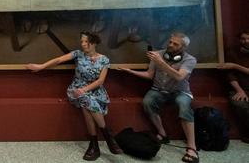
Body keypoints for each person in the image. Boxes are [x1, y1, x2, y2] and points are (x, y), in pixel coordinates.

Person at [26, 32, 122, 160]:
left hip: (95, 91)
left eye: (86, 42)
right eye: (81, 41)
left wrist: (84, 90)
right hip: (76, 89)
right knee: (85, 98)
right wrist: (41, 66)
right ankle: (108, 136)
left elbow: (100, 81)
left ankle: (94, 145)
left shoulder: (104, 60)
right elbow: (59, 60)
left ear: (94, 43)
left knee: (86, 104)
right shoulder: (78, 54)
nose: (82, 44)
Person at [118, 32, 199, 163]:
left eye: (175, 44)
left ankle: (192, 147)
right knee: (147, 102)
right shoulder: (158, 55)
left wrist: (161, 63)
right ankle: (163, 133)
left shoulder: (190, 60)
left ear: (184, 47)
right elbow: (150, 75)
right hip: (159, 90)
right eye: (170, 42)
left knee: (183, 105)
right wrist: (130, 71)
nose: (170, 45)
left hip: (180, 91)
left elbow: (179, 76)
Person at [218, 30, 249, 143]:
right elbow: (230, 74)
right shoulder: (233, 53)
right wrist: (239, 90)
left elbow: (233, 68)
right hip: (240, 88)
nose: (246, 41)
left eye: (248, 38)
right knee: (240, 104)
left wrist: (235, 65)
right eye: (243, 39)